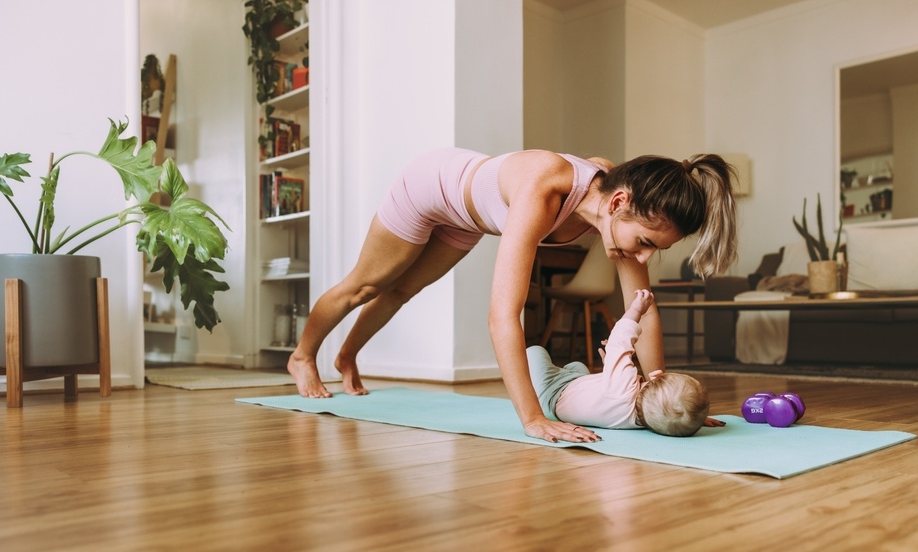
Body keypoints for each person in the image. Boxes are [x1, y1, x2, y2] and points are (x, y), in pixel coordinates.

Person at [288, 147, 737, 444]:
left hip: (466, 217)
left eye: (653, 249)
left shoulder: (619, 214)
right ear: (619, 202)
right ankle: (305, 357)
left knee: (404, 289)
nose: (643, 256)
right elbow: (503, 315)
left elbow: (644, 310)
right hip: (430, 187)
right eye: (645, 243)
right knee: (367, 285)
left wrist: (660, 401)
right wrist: (532, 418)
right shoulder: (546, 190)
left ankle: (347, 357)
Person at [527, 289, 721, 439]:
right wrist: (692, 418)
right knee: (578, 367)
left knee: (535, 352)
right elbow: (671, 413)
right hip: (576, 383)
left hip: (551, 392)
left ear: (657, 376)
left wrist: (636, 310)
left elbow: (620, 339)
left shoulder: (623, 387)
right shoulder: (649, 419)